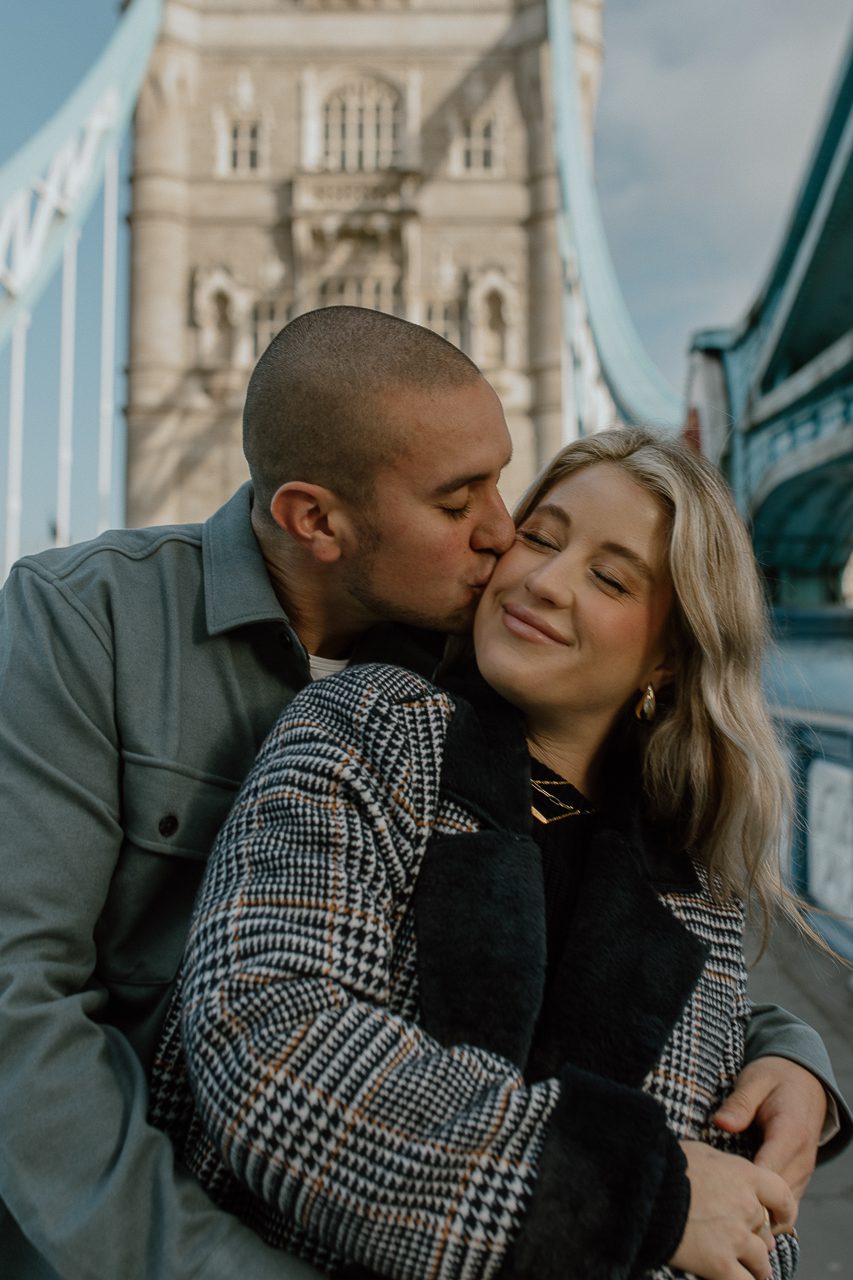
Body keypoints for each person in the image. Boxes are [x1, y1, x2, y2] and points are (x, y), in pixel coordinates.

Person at [0, 309, 843, 1280]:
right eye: (463, 503)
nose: (505, 541)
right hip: (135, 1233)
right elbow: (35, 1008)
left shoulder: (488, 647)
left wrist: (792, 1057)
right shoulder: (115, 628)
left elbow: (701, 1116)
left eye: (505, 487)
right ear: (314, 519)